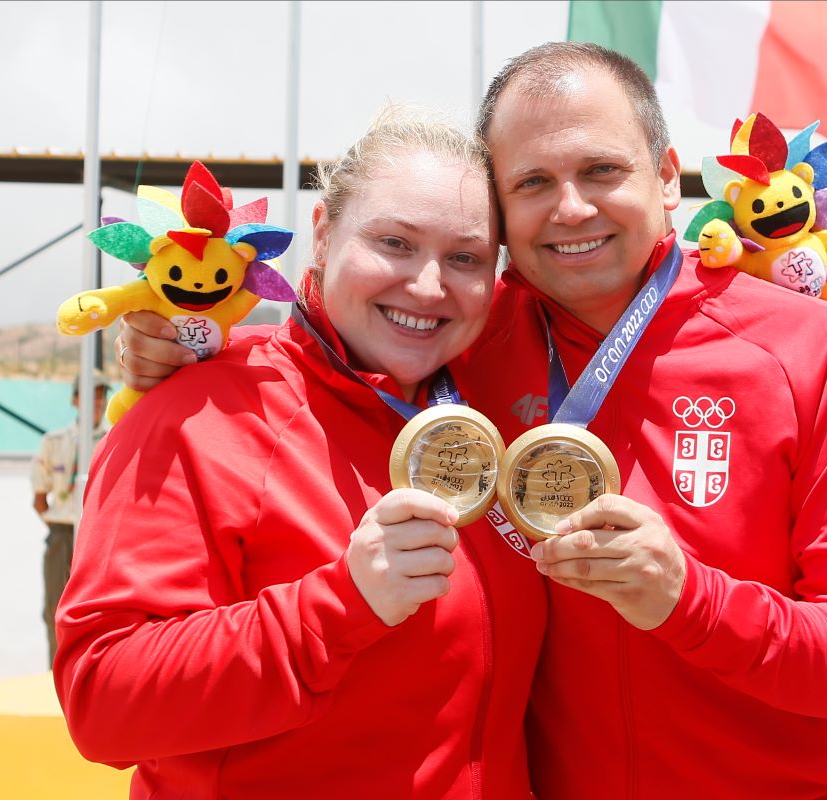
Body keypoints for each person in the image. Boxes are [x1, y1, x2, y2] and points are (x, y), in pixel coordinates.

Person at [118, 43, 827, 797]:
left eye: (601, 170)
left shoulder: (817, 355)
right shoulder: (464, 333)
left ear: (669, 175)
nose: (571, 208)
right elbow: (339, 344)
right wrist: (185, 353)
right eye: (532, 183)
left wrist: (694, 603)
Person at [53, 109, 545, 799]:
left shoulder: (488, 407)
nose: (429, 285)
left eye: (464, 257)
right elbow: (103, 701)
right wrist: (339, 606)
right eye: (395, 242)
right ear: (322, 234)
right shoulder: (198, 414)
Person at [29, 371, 108, 667]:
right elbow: (39, 497)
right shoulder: (55, 442)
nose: (96, 403)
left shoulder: (115, 437)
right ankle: (55, 674)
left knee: (95, 610)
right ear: (75, 399)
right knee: (54, 606)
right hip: (62, 532)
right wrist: (60, 525)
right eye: (90, 395)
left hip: (97, 535)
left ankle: (88, 677)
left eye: (101, 396)